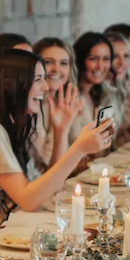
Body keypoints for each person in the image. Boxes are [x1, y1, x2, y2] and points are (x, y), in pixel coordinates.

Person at [0, 49, 113, 260]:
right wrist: (78, 149)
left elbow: (47, 188)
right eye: (37, 79)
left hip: (0, 233)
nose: (45, 87)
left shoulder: (5, 119)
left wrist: (61, 130)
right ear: (10, 83)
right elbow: (29, 199)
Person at [70, 31, 130, 147]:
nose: (100, 66)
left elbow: (110, 137)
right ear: (80, 60)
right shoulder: (73, 96)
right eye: (93, 59)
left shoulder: (99, 91)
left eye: (106, 59)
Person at [31, 37, 83, 175]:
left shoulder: (69, 98)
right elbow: (48, 162)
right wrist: (59, 128)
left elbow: (85, 151)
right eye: (48, 62)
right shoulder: (31, 107)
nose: (56, 69)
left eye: (63, 63)